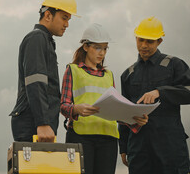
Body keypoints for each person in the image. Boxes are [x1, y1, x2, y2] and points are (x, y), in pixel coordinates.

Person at [60, 23, 148, 174]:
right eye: (97, 48)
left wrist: (133, 118)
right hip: (81, 137)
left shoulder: (109, 75)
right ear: (86, 47)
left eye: (105, 48)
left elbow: (114, 111)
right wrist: (76, 109)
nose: (102, 53)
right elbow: (63, 105)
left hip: (108, 139)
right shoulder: (73, 70)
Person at [119, 16, 190, 174]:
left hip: (169, 145)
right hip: (139, 148)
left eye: (149, 41)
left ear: (159, 42)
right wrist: (123, 147)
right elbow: (123, 113)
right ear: (136, 38)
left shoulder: (174, 65)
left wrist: (160, 92)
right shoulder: (128, 74)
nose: (144, 45)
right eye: (140, 40)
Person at [10, 0, 79, 142]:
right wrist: (42, 122)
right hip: (33, 123)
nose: (67, 24)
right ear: (48, 15)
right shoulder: (37, 38)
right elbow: (36, 82)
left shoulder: (45, 40)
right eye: (64, 18)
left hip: (40, 121)